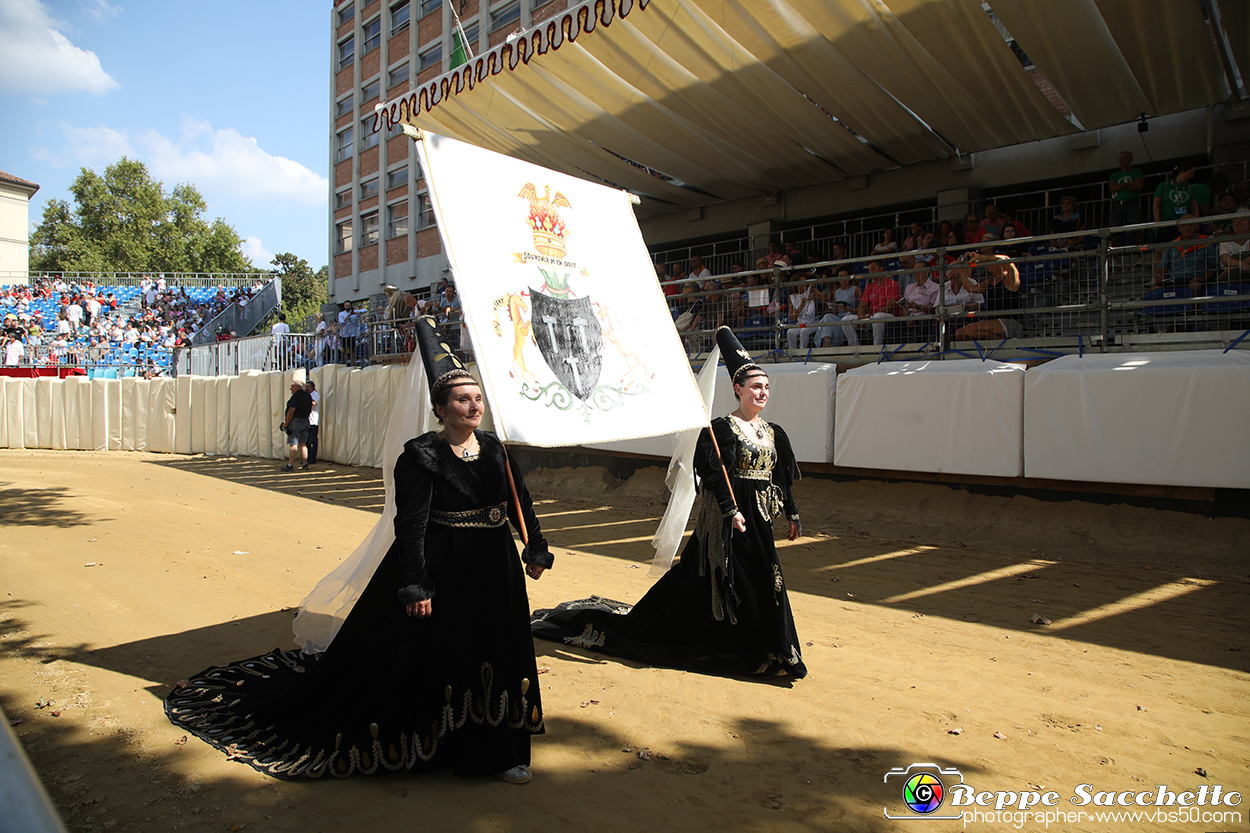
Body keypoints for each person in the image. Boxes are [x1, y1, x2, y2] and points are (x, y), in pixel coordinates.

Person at [165, 317, 555, 782]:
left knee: (497, 648)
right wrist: (416, 583)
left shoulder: (496, 449)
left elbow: (519, 503)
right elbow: (409, 524)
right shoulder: (421, 455)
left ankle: (501, 749)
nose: (473, 407)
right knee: (441, 652)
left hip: (495, 567)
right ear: (441, 407)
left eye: (477, 399)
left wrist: (534, 547)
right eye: (461, 399)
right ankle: (440, 745)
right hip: (443, 565)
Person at [532, 326, 806, 680]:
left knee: (764, 580)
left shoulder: (774, 433)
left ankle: (773, 650)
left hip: (760, 521)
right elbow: (712, 473)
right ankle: (750, 647)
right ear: (738, 389)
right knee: (721, 580)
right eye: (755, 387)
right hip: (727, 522)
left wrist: (792, 513)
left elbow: (780, 479)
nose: (762, 392)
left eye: (766, 387)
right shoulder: (721, 429)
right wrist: (731, 510)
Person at [954, 243, 1022, 340]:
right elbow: (971, 288)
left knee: (970, 330)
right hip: (992, 322)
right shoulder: (990, 282)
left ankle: (1009, 343)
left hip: (1009, 322)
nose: (988, 264)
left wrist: (982, 257)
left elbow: (1007, 260)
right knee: (960, 333)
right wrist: (961, 271)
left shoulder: (1010, 279)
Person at [1108, 151, 1145, 245]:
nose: (1122, 160)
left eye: (1124, 158)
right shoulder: (1115, 175)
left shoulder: (1136, 172)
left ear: (1130, 159)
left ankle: (1140, 254)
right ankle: (1115, 257)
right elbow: (1112, 188)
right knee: (1115, 232)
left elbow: (1138, 186)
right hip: (1117, 204)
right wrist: (1128, 183)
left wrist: (1120, 186)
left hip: (1132, 203)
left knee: (1136, 229)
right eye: (1120, 158)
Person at [279, 378, 313, 471]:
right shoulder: (307, 396)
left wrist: (285, 424)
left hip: (296, 422)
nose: (291, 389)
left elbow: (291, 411)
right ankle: (305, 464)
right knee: (303, 443)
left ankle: (290, 465)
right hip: (305, 421)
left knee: (293, 444)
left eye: (292, 387)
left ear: (297, 387)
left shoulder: (296, 397)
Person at [306, 380, 321, 466]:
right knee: (306, 440)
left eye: (308, 387)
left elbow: (314, 403)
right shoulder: (308, 395)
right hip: (307, 420)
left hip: (313, 421)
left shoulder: (315, 395)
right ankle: (308, 457)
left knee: (313, 440)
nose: (306, 389)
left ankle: (312, 458)